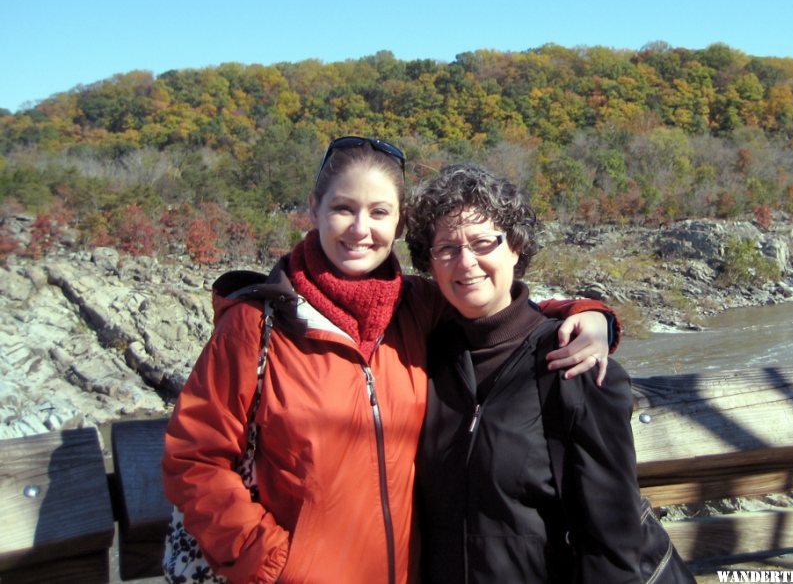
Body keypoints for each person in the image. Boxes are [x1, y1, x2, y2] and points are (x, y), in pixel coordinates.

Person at [162, 137, 621, 583]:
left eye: (379, 212)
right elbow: (194, 460)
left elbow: (500, 305)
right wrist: (271, 564)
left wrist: (591, 314)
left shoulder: (418, 307)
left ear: (399, 225)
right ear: (314, 208)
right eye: (344, 208)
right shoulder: (255, 326)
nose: (361, 229)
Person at [406, 163, 643, 583]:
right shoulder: (423, 357)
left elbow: (613, 543)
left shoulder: (572, 363)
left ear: (514, 247)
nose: (466, 262)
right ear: (430, 261)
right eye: (446, 249)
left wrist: (595, 316)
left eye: (483, 242)